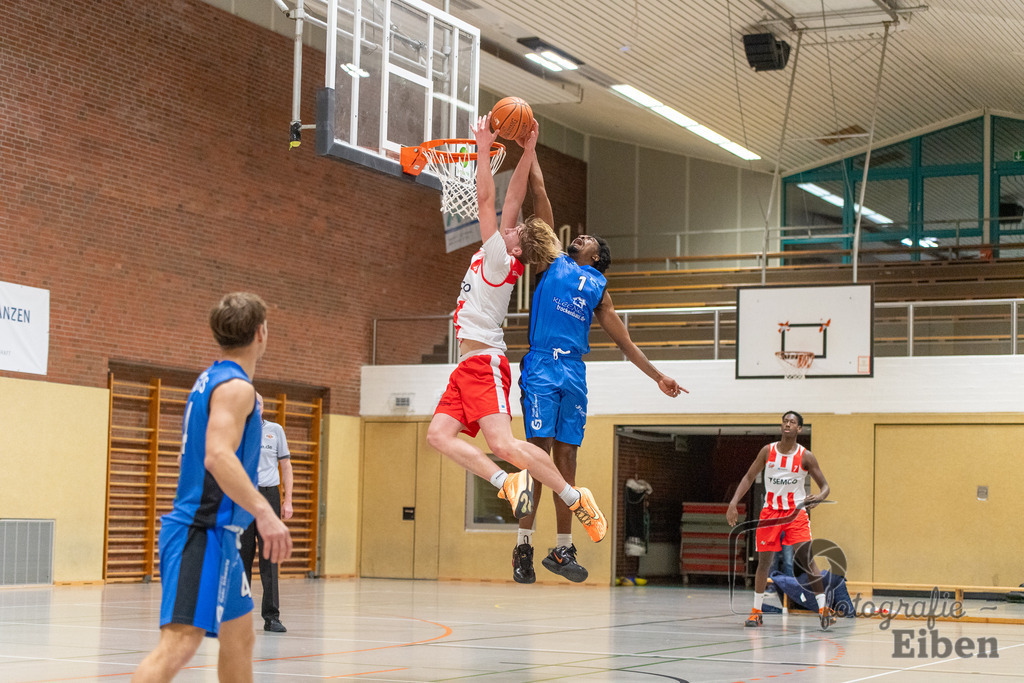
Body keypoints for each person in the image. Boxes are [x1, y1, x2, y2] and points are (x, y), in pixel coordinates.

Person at [425, 115, 608, 547]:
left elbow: (487, 198)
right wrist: (527, 152)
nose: (510, 226)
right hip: (466, 366)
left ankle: (573, 496)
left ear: (517, 246)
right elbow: (514, 197)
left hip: (483, 363)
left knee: (506, 445)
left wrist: (483, 148)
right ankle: (506, 482)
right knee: (438, 436)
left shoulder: (497, 258)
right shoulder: (502, 253)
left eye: (516, 231)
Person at [511, 158, 687, 584]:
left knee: (567, 458)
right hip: (542, 364)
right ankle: (523, 545)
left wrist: (658, 376)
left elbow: (625, 344)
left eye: (589, 238)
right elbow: (540, 193)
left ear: (597, 256)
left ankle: (562, 549)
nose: (582, 235)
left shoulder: (598, 289)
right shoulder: (552, 259)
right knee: (537, 454)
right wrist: (530, 150)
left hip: (573, 371)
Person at [133, 293, 293, 682]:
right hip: (201, 532)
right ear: (261, 333)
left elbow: (190, 456)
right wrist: (265, 511)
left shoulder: (214, 379)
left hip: (222, 537)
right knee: (179, 645)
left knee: (240, 639)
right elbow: (217, 456)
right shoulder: (236, 388)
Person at [726, 411, 834, 631]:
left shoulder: (806, 456)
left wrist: (819, 497)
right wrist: (733, 502)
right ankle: (756, 612)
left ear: (799, 428)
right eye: (785, 421)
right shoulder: (768, 451)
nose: (787, 424)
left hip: (796, 514)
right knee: (764, 563)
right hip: (771, 514)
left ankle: (824, 609)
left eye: (792, 422)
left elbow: (825, 486)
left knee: (807, 560)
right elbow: (748, 477)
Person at [239, 393, 294, 633]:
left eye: (259, 403)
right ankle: (238, 617)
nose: (255, 407)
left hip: (269, 495)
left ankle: (272, 617)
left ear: (263, 407)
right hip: (244, 496)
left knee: (269, 558)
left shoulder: (275, 430)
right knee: (242, 556)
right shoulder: (236, 429)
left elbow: (286, 466)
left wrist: (287, 500)